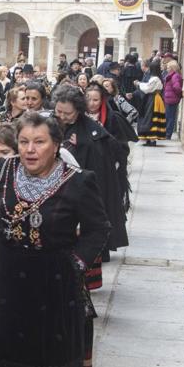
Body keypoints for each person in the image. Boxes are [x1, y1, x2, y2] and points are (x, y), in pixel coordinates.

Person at [0, 112, 111, 367]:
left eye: (39, 142)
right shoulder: (0, 172)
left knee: (37, 357)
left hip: (51, 287)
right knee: (2, 349)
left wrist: (74, 263)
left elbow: (97, 229)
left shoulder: (77, 182)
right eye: (24, 141)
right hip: (6, 279)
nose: (30, 149)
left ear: (57, 145)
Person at [52, 86, 129, 288]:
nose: (62, 117)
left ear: (78, 110)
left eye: (67, 113)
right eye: (58, 112)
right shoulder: (51, 124)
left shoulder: (92, 130)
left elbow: (110, 153)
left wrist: (83, 145)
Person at [134, 59, 167, 146]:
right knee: (149, 118)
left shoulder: (155, 79)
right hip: (153, 98)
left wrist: (139, 84)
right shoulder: (156, 78)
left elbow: (147, 88)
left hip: (153, 99)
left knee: (151, 118)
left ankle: (152, 139)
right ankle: (149, 139)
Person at [163, 58, 183, 140]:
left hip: (172, 99)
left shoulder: (175, 76)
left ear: (172, 68)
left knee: (170, 117)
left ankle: (168, 134)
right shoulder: (172, 76)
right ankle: (167, 133)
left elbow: (177, 87)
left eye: (168, 67)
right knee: (168, 116)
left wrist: (178, 95)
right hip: (169, 98)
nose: (167, 69)